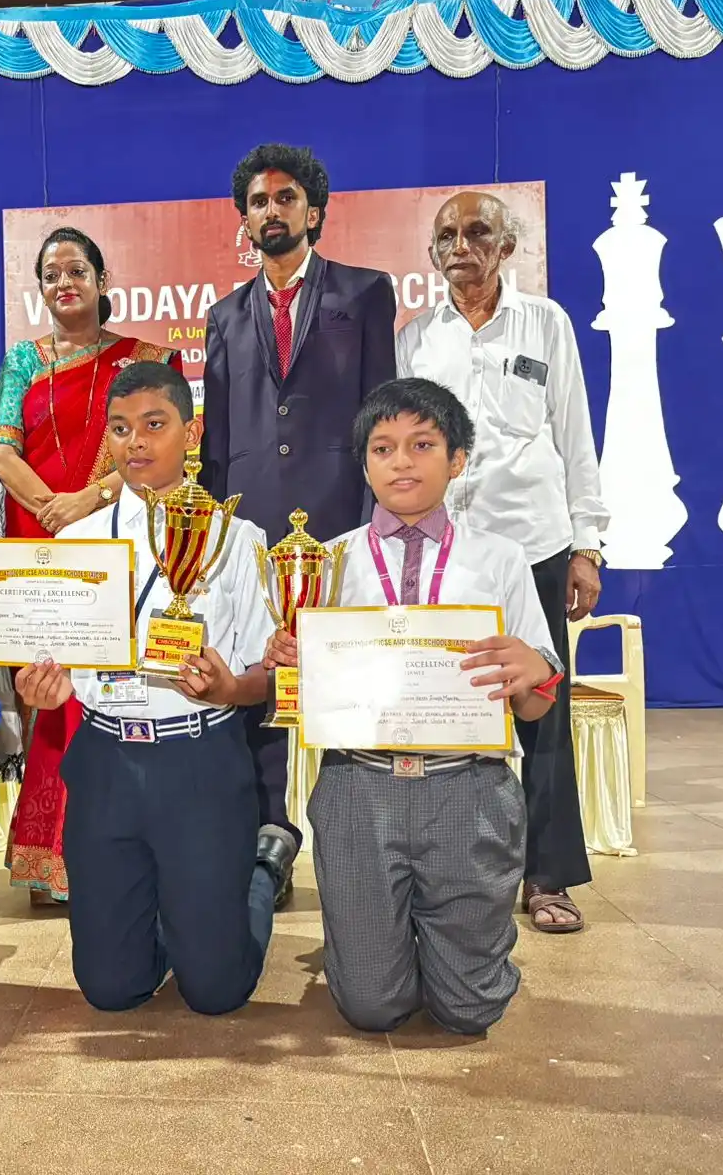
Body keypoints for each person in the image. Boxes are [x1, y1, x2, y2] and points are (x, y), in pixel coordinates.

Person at [264, 379, 563, 1033]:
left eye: (422, 444)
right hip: (358, 785)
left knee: (470, 1011)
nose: (402, 461)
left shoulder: (501, 560)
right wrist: (288, 657)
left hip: (469, 787)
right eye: (383, 447)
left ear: (457, 460)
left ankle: (452, 947)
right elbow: (300, 682)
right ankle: (388, 946)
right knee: (373, 1008)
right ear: (365, 464)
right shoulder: (325, 563)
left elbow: (538, 706)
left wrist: (536, 673)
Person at [15, 361, 288, 1016]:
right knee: (114, 990)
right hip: (108, 759)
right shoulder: (76, 544)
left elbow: (267, 680)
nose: (135, 442)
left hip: (202, 762)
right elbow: (42, 665)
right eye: (120, 429)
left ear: (189, 433)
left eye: (154, 425)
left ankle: (256, 875)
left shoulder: (237, 539)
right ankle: (177, 919)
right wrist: (41, 689)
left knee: (216, 993)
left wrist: (229, 688)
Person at [395, 190, 608, 934]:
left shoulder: (546, 324)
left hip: (538, 544)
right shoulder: (416, 338)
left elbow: (575, 435)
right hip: (452, 550)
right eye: (447, 235)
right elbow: (405, 446)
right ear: (433, 252)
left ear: (506, 246)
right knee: (450, 707)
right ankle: (453, 867)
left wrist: (588, 544)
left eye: (477, 231)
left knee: (543, 712)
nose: (461, 245)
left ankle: (548, 877)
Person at [199, 142, 398, 901]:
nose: (270, 210)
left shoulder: (364, 292)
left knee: (350, 678)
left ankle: (366, 843)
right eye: (257, 200)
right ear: (243, 219)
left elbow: (382, 407)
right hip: (250, 530)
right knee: (258, 682)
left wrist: (379, 514)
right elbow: (218, 437)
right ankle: (268, 839)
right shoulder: (223, 316)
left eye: (286, 198)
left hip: (343, 522)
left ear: (313, 212)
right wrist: (218, 534)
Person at [0, 226, 182, 905]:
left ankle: (127, 846)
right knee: (52, 691)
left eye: (77, 270)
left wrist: (90, 501)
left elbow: (163, 443)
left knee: (111, 688)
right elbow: (2, 452)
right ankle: (53, 859)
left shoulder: (146, 359)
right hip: (41, 543)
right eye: (50, 274)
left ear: (103, 282)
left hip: (118, 537)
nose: (64, 283)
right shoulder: (22, 362)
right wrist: (53, 510)